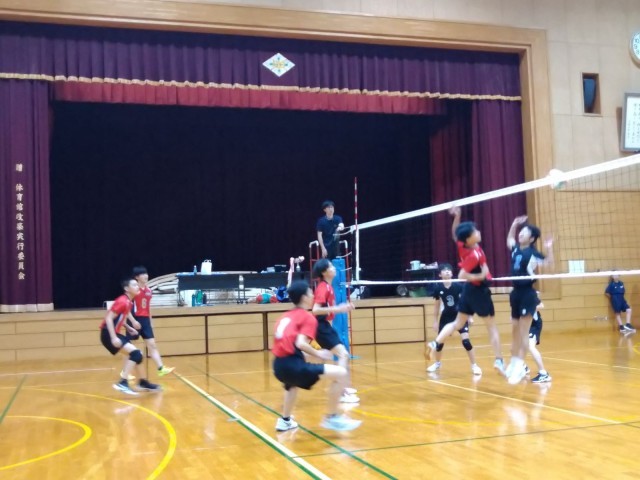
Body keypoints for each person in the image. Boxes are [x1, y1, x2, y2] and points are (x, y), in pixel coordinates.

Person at [272, 280, 362, 432]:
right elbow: (301, 343)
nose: (313, 295)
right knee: (341, 373)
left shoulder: (284, 317)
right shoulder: (307, 317)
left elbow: (286, 344)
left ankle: (285, 421)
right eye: (310, 292)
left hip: (278, 366)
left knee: (291, 384)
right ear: (304, 297)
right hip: (293, 366)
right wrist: (318, 353)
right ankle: (332, 418)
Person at [426, 207, 505, 374]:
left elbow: (455, 234)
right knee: (491, 326)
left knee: (457, 323)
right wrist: (481, 275)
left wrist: (457, 216)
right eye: (475, 231)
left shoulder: (463, 245)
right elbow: (462, 275)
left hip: (468, 292)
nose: (478, 232)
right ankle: (499, 360)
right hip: (478, 291)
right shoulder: (474, 255)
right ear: (469, 239)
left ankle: (435, 342)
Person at [504, 215, 554, 385]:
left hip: (527, 294)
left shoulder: (533, 253)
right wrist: (514, 224)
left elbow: (549, 263)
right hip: (515, 293)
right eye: (521, 231)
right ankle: (514, 363)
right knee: (514, 331)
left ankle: (519, 368)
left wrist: (549, 248)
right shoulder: (516, 249)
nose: (521, 234)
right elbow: (509, 240)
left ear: (532, 238)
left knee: (524, 333)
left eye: (524, 232)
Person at [100, 277, 161, 395]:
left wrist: (129, 327)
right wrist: (113, 337)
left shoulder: (129, 302)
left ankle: (142, 382)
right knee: (136, 354)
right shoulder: (123, 301)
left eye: (137, 285)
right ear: (126, 289)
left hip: (113, 333)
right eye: (134, 285)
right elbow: (108, 318)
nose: (137, 287)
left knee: (138, 356)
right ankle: (122, 382)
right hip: (108, 334)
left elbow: (119, 318)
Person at [312, 258, 359, 403]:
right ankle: (341, 392)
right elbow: (315, 310)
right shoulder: (323, 288)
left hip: (325, 326)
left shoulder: (329, 287)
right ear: (324, 272)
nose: (333, 268)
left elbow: (329, 311)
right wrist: (338, 308)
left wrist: (341, 308)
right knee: (343, 355)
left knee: (341, 355)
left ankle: (343, 387)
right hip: (320, 327)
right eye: (330, 267)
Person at [426, 263, 482, 376]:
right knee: (439, 344)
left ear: (452, 273)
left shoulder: (458, 286)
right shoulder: (438, 288)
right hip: (446, 317)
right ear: (440, 274)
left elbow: (466, 302)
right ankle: (437, 363)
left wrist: (470, 317)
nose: (447, 271)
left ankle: (474, 366)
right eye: (444, 270)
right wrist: (435, 321)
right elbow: (436, 306)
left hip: (460, 316)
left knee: (466, 342)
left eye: (449, 270)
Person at [123, 266, 174, 379]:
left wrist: (150, 321)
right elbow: (126, 307)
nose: (145, 275)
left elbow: (148, 307)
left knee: (152, 345)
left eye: (146, 273)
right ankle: (125, 372)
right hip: (134, 319)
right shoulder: (133, 291)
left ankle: (161, 369)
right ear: (137, 277)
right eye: (142, 274)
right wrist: (133, 321)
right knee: (129, 347)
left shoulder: (149, 291)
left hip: (145, 320)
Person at [526, 297, 552, 383]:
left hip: (534, 324)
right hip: (524, 324)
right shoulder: (515, 296)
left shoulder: (529, 294)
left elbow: (541, 305)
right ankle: (523, 367)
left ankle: (543, 373)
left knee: (530, 346)